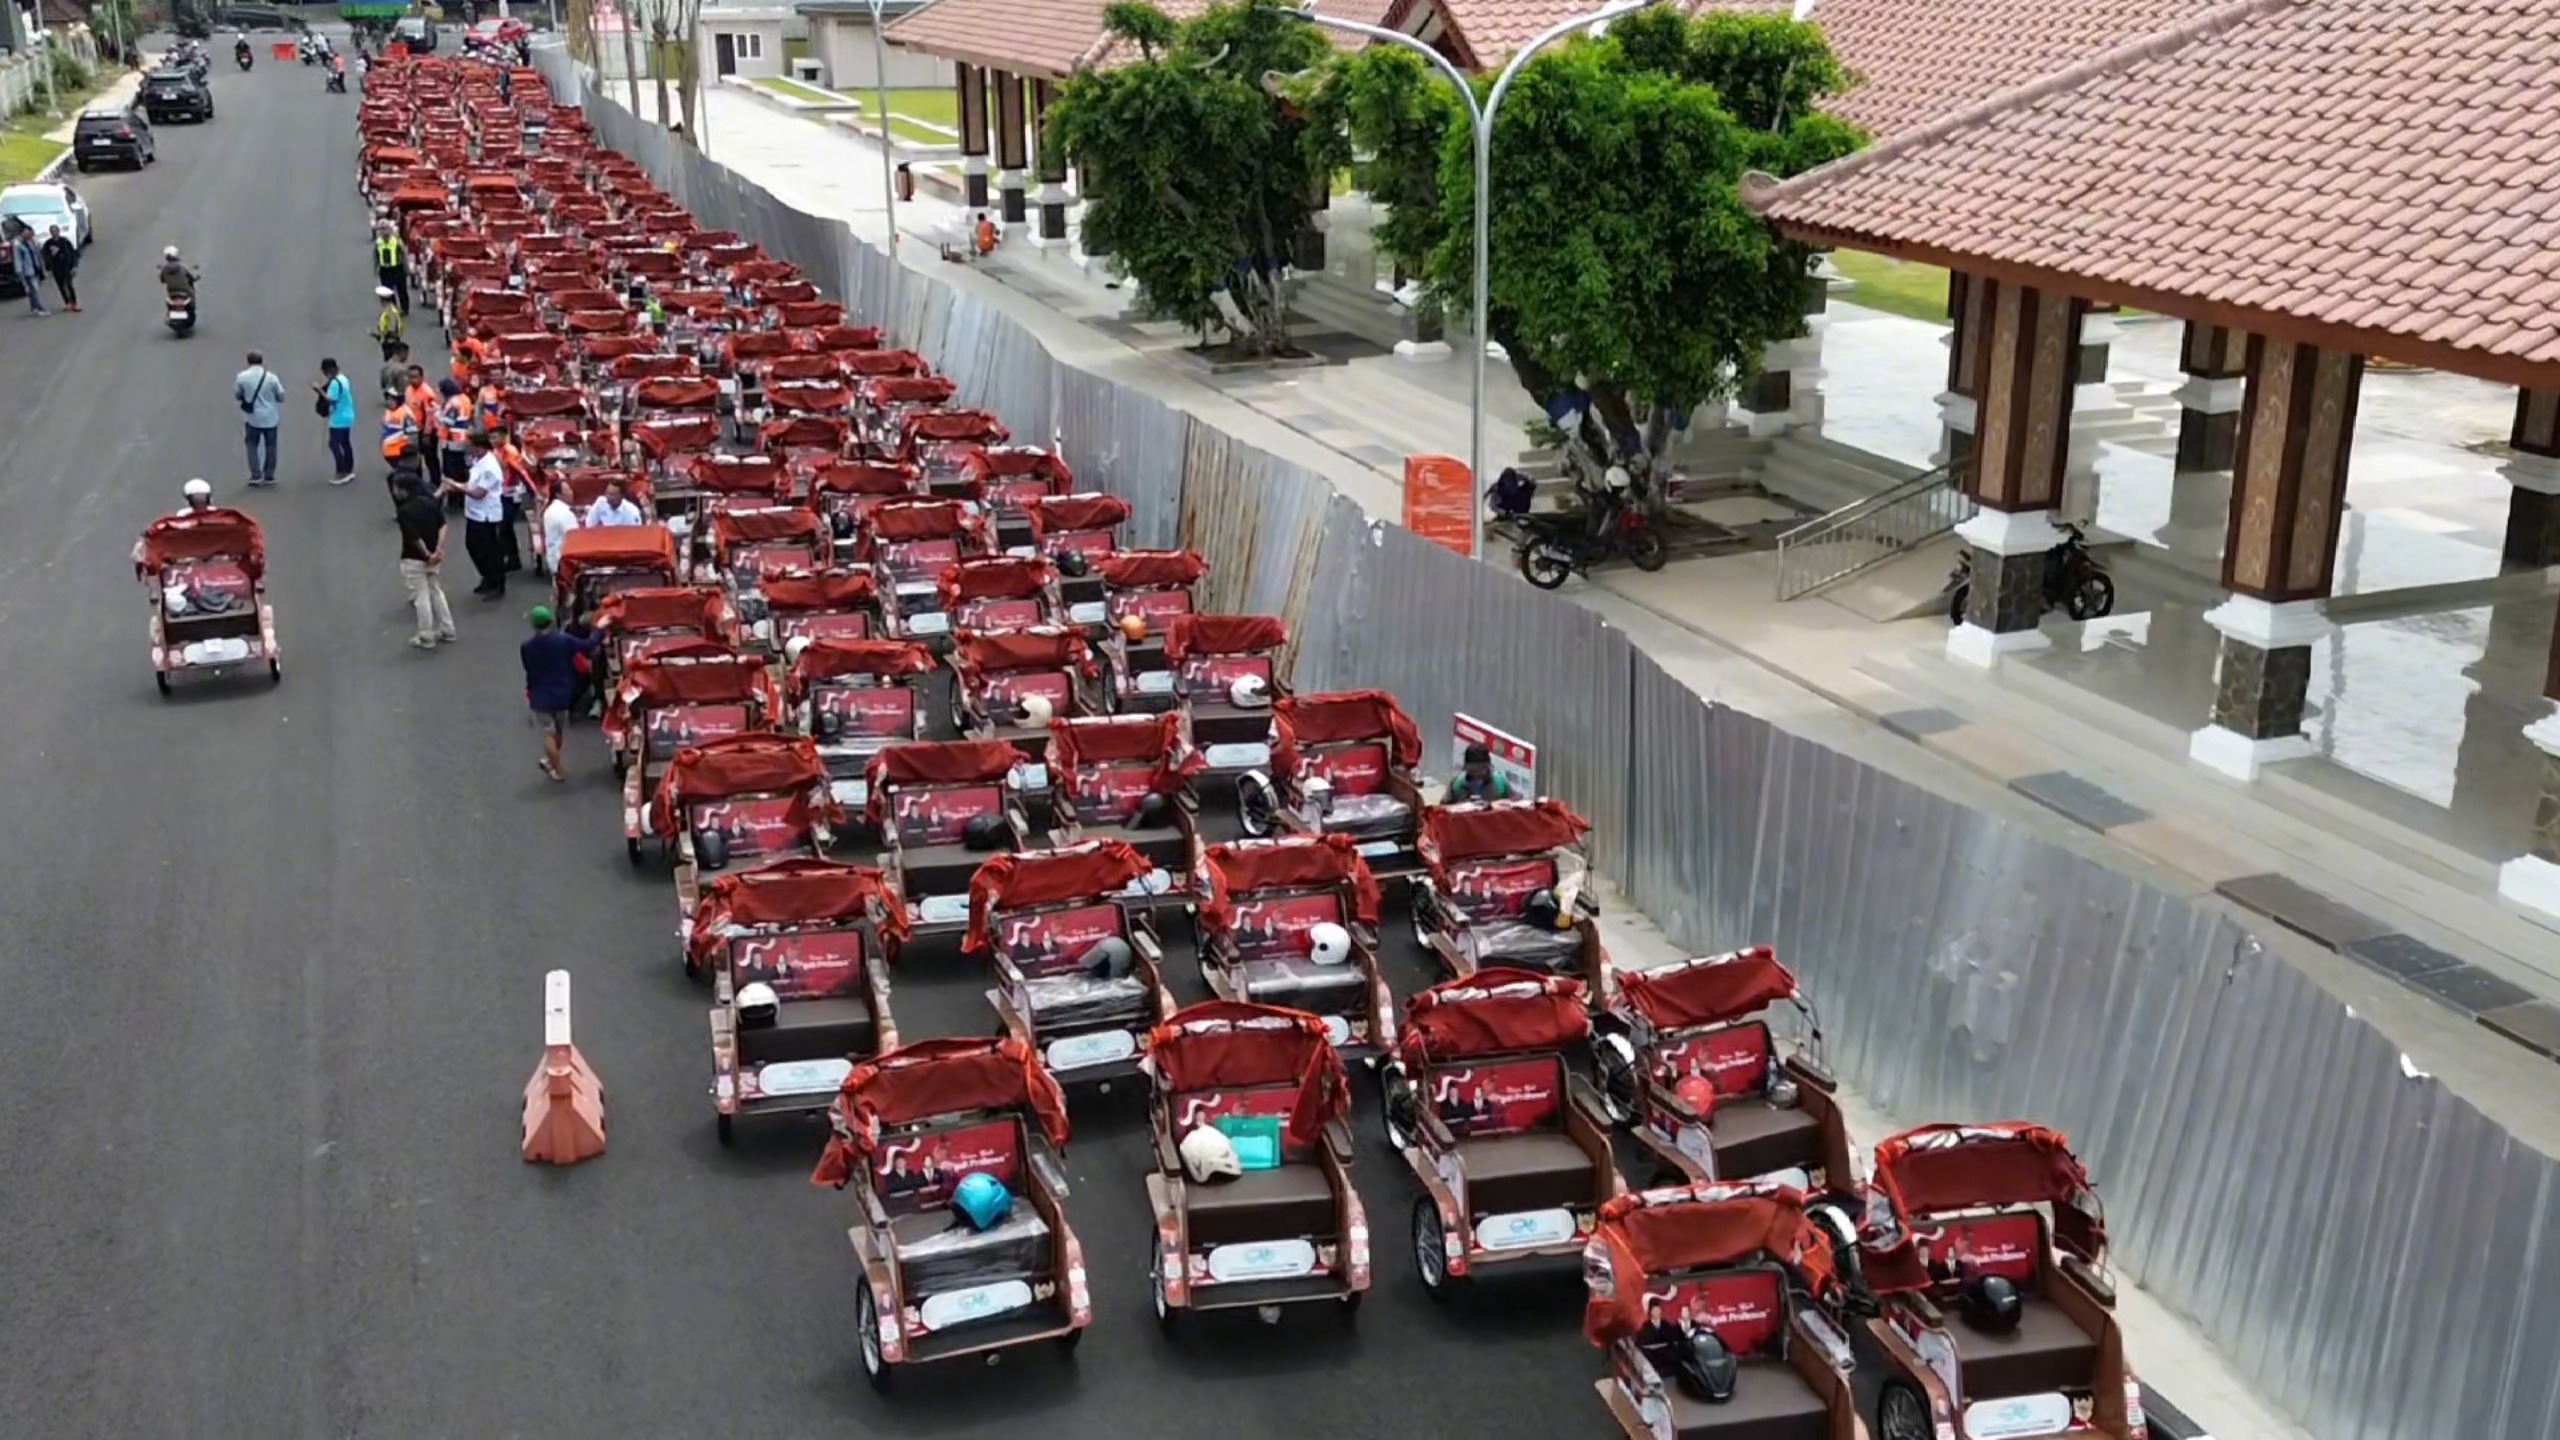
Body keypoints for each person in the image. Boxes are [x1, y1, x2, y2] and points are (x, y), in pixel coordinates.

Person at [521, 606, 603, 781]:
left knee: (547, 733)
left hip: (540, 696)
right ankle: (552, 761)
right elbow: (588, 645)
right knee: (558, 731)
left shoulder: (527, 647)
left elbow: (528, 669)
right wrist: (600, 629)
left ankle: (557, 769)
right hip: (563, 694)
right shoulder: (563, 640)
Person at [396, 472, 456, 649]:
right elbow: (443, 525)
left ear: (405, 490)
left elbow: (413, 537)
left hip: (414, 558)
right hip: (434, 557)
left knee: (421, 596)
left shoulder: (404, 511)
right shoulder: (430, 503)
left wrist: (426, 555)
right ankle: (447, 628)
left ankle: (426, 635)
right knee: (436, 591)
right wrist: (438, 549)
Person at [461, 430, 511, 598]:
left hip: (486, 515)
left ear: (480, 447)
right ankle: (487, 577)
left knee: (489, 551)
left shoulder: (489, 467)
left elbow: (478, 493)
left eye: (470, 446)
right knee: (473, 546)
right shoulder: (478, 461)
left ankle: (497, 582)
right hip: (475, 513)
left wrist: (456, 486)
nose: (468, 449)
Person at [234, 351, 284, 488]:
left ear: (248, 361)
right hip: (271, 417)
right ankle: (269, 475)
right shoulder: (271, 377)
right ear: (262, 361)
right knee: (271, 446)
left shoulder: (241, 377)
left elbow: (238, 395)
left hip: (252, 418)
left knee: (252, 445)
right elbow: (281, 396)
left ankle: (255, 475)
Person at [314, 358, 356, 484]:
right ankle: (349, 469)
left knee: (334, 444)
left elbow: (331, 399)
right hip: (347, 415)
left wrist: (318, 390)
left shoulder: (334, 383)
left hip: (338, 418)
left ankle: (341, 471)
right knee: (345, 443)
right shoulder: (344, 379)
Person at [1447, 743, 1512, 802]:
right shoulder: (1457, 784)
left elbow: (1516, 804)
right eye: (1473, 770)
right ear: (1466, 768)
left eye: (1481, 769)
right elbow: (1443, 809)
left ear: (1488, 766)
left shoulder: (1499, 782)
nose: (1476, 774)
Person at [541, 483, 579, 575]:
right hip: (563, 561)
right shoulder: (563, 513)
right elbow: (574, 538)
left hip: (555, 558)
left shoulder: (552, 509)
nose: (572, 492)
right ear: (558, 494)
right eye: (568, 490)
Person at [373, 219, 409, 316]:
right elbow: (376, 255)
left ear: (390, 229)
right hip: (385, 270)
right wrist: (376, 267)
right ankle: (394, 308)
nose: (383, 232)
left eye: (385, 229)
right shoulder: (378, 242)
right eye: (381, 230)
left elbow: (404, 254)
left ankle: (404, 308)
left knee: (402, 290)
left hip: (397, 268)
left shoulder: (396, 240)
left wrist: (407, 268)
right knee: (388, 291)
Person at [39, 225, 78, 312]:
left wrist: (74, 266)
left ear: (58, 231)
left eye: (55, 231)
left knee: (69, 285)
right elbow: (45, 256)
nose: (54, 233)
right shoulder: (48, 244)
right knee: (61, 286)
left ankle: (74, 303)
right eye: (52, 231)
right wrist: (48, 268)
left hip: (67, 267)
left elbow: (73, 254)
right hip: (56, 269)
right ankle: (67, 303)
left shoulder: (65, 241)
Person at [10, 228, 45, 316]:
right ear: (22, 234)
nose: (29, 235)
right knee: (35, 290)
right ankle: (40, 309)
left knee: (32, 291)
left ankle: (34, 309)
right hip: (27, 271)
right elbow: (17, 259)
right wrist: (19, 272)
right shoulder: (18, 245)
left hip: (34, 268)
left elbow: (37, 253)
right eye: (27, 234)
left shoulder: (30, 242)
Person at [158, 246, 199, 320]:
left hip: (172, 291)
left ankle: (171, 313)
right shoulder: (182, 267)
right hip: (185, 290)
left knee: (169, 300)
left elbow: (162, 280)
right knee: (192, 297)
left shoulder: (164, 269)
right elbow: (190, 277)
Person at [373, 285, 404, 361]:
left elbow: (391, 330)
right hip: (388, 341)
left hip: (390, 342)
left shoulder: (390, 312)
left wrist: (381, 335)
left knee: (390, 362)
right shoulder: (388, 310)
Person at [378, 339, 411, 407]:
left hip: (388, 397)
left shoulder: (385, 366)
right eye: (407, 354)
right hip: (399, 400)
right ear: (402, 353)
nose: (407, 357)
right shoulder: (401, 369)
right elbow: (403, 388)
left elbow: (383, 384)